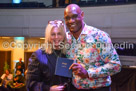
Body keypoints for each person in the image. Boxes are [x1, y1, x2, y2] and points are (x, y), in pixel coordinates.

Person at [64, 4, 121, 91]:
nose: (71, 21)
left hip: (98, 88)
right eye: (67, 18)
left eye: (74, 16)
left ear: (82, 15)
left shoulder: (99, 36)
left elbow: (116, 66)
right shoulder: (66, 38)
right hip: (74, 87)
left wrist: (88, 73)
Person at [26, 20, 70, 91]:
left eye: (59, 34)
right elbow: (30, 84)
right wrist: (48, 89)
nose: (56, 37)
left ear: (64, 36)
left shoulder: (68, 54)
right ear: (48, 36)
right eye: (53, 34)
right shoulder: (38, 55)